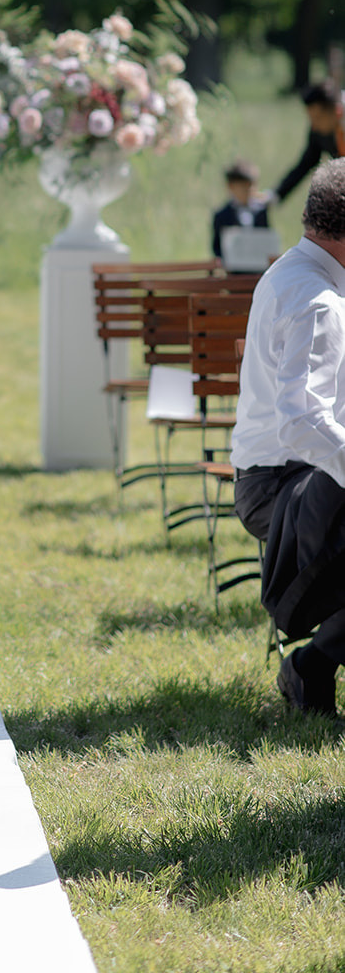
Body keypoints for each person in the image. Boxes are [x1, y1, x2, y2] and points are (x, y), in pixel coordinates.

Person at [232, 159, 345, 716]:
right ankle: (312, 666)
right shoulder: (316, 299)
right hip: (280, 487)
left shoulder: (298, 272)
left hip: (291, 475)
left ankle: (313, 667)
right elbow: (301, 420)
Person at [271, 81, 345, 205]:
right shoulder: (319, 130)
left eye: (317, 118)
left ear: (336, 111)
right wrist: (276, 194)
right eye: (311, 119)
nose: (314, 126)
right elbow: (307, 162)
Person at [211, 159, 270, 259]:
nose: (248, 191)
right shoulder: (222, 215)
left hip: (258, 267)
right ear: (230, 187)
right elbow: (217, 247)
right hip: (233, 270)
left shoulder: (261, 211)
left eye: (250, 186)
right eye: (242, 187)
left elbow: (266, 239)